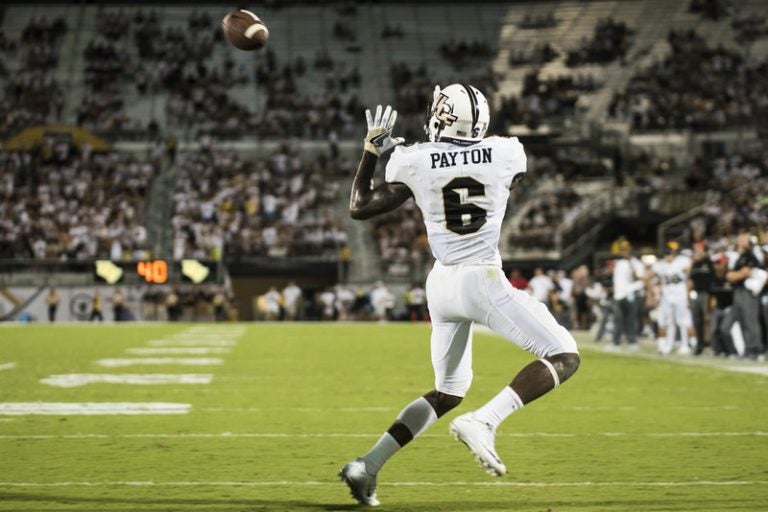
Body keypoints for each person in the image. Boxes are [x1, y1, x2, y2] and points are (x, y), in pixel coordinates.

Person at [339, 86, 580, 506]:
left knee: (448, 391)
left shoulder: (412, 159)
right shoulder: (508, 152)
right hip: (482, 279)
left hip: (442, 285)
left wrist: (373, 151)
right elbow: (483, 167)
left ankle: (367, 467)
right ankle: (485, 421)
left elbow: (360, 206)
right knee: (564, 355)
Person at [648, 241, 693, 355]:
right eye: (666, 254)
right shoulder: (661, 264)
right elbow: (648, 275)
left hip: (680, 293)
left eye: (670, 253)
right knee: (669, 321)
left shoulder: (682, 261)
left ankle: (684, 345)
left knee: (681, 320)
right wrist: (652, 291)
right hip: (667, 295)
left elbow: (690, 270)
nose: (668, 256)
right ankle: (668, 344)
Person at [610, 240, 644, 350]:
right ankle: (616, 343)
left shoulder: (636, 263)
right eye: (622, 250)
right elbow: (617, 281)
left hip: (630, 295)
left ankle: (632, 342)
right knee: (618, 320)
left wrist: (630, 289)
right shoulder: (619, 263)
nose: (624, 252)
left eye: (626, 249)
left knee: (631, 319)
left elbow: (640, 280)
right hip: (618, 295)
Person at [688, 241, 715, 354]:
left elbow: (713, 279)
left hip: (706, 293)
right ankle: (699, 344)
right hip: (696, 293)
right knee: (696, 320)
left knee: (708, 319)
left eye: (698, 249)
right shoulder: (694, 264)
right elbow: (690, 279)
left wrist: (712, 296)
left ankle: (711, 343)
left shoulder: (709, 262)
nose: (696, 251)